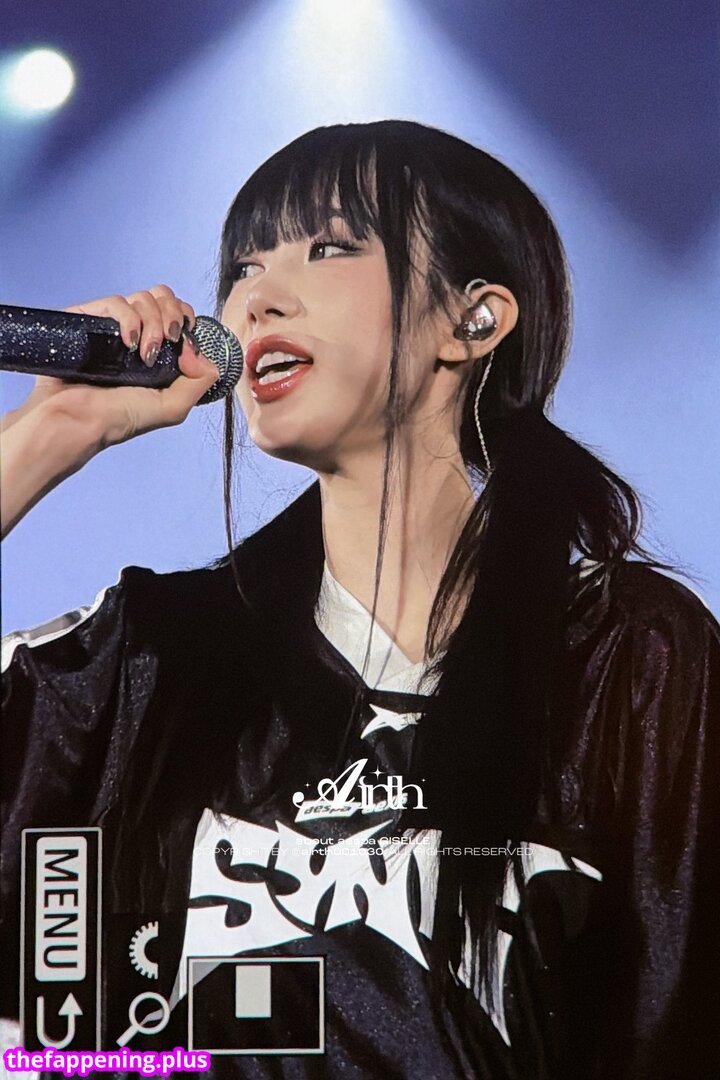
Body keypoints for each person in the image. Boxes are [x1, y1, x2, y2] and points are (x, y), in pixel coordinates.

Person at [1, 121, 718, 1079]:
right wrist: (51, 431)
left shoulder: (626, 655)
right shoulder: (151, 658)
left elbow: (681, 1014)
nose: (258, 297)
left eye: (329, 247)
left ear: (474, 320)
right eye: (244, 267)